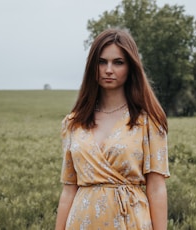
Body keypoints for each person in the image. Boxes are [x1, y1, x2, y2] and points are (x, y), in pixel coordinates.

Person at [55, 28, 170, 230]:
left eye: (118, 62)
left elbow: (157, 188)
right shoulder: (73, 123)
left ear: (131, 67)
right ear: (92, 66)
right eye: (102, 62)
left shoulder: (148, 121)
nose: (109, 69)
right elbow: (68, 189)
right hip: (82, 223)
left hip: (130, 222)